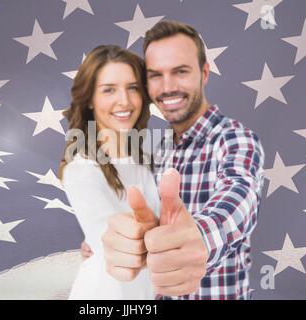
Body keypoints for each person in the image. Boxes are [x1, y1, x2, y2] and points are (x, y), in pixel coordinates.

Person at [82, 20, 265, 300]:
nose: (167, 87)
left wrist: (201, 238)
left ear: (204, 73)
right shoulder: (159, 147)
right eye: (155, 75)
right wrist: (115, 242)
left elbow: (240, 194)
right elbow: (149, 223)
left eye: (180, 71)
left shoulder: (235, 138)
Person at [59, 45, 160, 299]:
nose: (124, 101)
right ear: (90, 100)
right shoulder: (81, 169)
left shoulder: (148, 161)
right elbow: (115, 244)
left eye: (133, 88)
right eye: (109, 90)